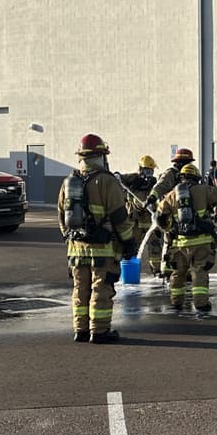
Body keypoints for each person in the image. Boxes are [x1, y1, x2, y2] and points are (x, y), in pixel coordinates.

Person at [58, 133, 134, 343]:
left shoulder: (68, 182)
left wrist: (70, 240)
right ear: (101, 156)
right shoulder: (107, 182)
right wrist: (129, 242)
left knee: (80, 290)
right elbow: (120, 217)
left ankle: (80, 330)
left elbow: (61, 218)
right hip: (103, 248)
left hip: (76, 249)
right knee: (100, 289)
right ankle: (99, 331)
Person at [156, 162, 217, 311]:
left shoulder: (173, 194)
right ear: (196, 177)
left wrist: (167, 228)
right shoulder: (204, 190)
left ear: (181, 178)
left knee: (178, 273)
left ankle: (176, 301)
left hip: (179, 243)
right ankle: (201, 304)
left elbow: (160, 215)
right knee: (199, 272)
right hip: (201, 242)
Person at [120, 155, 161, 276]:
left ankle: (157, 271)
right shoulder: (133, 180)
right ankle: (129, 272)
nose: (150, 173)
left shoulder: (154, 184)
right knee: (131, 248)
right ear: (140, 169)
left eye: (151, 170)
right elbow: (119, 179)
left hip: (151, 223)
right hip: (135, 222)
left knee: (155, 248)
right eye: (147, 170)